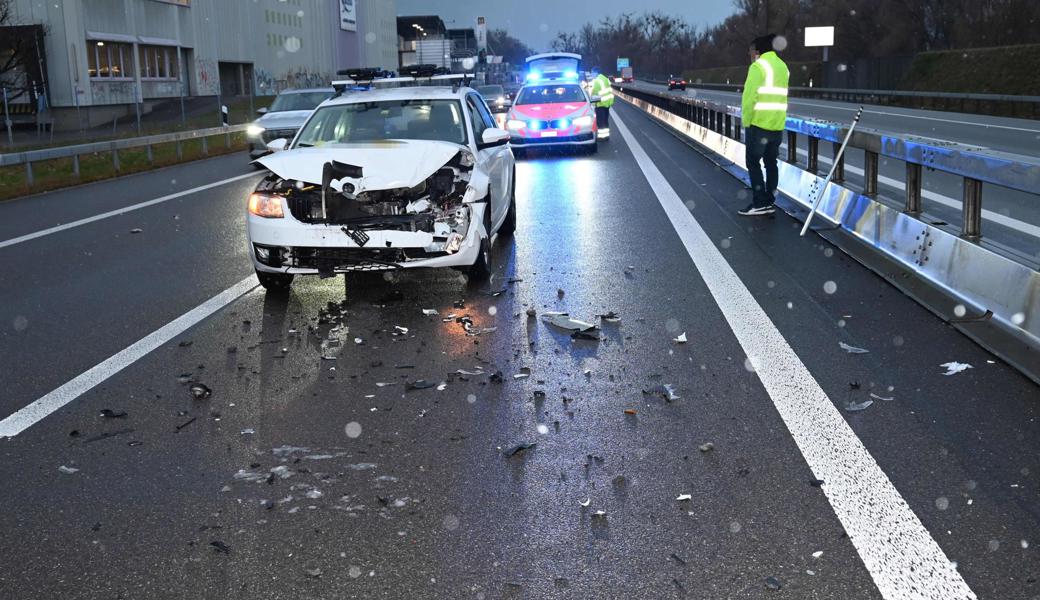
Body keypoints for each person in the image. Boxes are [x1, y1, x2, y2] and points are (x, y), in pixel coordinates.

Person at [738, 34, 789, 216]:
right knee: (771, 163)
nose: (750, 55)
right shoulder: (783, 67)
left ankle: (759, 202)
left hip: (758, 125)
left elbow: (749, 97)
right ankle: (769, 199)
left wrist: (746, 121)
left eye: (751, 51)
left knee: (753, 162)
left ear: (758, 52)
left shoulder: (758, 67)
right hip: (777, 125)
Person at [588, 68, 615, 140]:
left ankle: (602, 137)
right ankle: (606, 136)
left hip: (600, 104)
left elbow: (594, 94)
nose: (591, 74)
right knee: (605, 121)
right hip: (607, 103)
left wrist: (590, 100)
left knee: (601, 122)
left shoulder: (596, 81)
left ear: (596, 73)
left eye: (592, 73)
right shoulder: (605, 78)